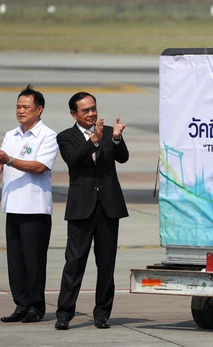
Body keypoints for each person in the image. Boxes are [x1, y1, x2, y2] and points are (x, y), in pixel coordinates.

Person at [0, 85, 58, 323]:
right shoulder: (10, 135)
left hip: (34, 208)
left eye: (26, 107)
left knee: (34, 261)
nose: (21, 111)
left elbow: (39, 167)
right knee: (15, 261)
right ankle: (21, 305)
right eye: (18, 106)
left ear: (39, 109)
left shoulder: (48, 135)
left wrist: (10, 160)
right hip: (12, 206)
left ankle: (36, 307)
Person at [54, 91, 129, 330]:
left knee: (106, 264)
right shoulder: (65, 137)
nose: (91, 113)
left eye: (93, 108)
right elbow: (73, 159)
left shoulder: (108, 132)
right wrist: (94, 141)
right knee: (74, 262)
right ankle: (65, 313)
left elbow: (123, 158)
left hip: (108, 207)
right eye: (85, 110)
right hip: (81, 208)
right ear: (73, 114)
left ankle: (102, 313)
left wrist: (116, 139)